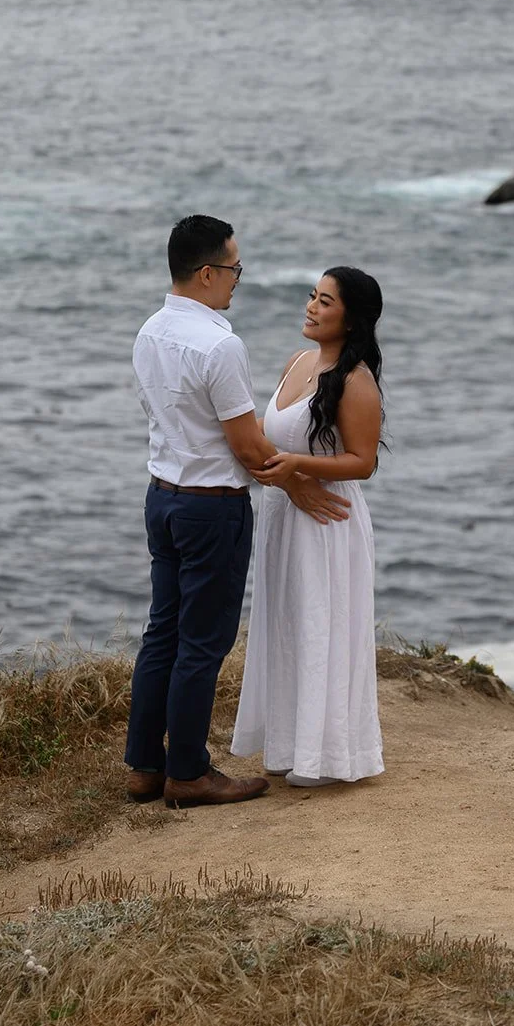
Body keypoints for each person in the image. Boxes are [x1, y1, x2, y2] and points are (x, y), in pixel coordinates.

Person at [125, 215, 351, 809]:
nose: (237, 281)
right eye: (234, 269)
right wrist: (298, 486)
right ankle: (190, 773)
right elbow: (247, 446)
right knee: (202, 642)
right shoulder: (220, 344)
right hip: (211, 510)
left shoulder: (149, 332)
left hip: (162, 498)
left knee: (162, 635)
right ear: (206, 273)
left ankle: (144, 767)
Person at [231, 267, 386, 788]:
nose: (312, 307)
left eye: (325, 301)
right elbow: (263, 429)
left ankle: (329, 755)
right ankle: (289, 745)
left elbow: (363, 462)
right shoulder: (297, 361)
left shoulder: (356, 381)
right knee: (286, 625)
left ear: (350, 318)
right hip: (283, 516)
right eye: (312, 296)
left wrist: (299, 468)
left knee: (321, 625)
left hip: (327, 519)